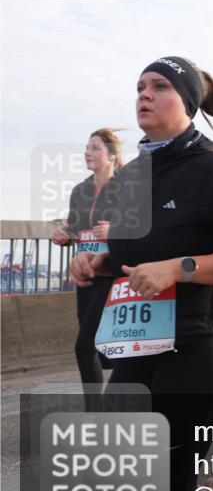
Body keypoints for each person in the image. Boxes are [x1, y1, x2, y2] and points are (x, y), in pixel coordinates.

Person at [69, 56, 213, 491]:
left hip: (199, 339)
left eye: (159, 86)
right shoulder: (134, 176)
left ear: (186, 101)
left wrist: (178, 268)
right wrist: (99, 260)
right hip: (139, 337)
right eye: (140, 86)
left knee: (172, 472)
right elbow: (131, 248)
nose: (144, 94)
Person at [51, 128, 123, 399]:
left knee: (85, 346)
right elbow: (76, 227)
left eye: (95, 148)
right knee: (101, 347)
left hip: (114, 273)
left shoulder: (126, 188)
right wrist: (64, 235)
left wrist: (116, 230)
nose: (87, 153)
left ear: (112, 156)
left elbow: (141, 227)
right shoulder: (80, 191)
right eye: (86, 147)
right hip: (86, 274)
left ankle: (96, 413)